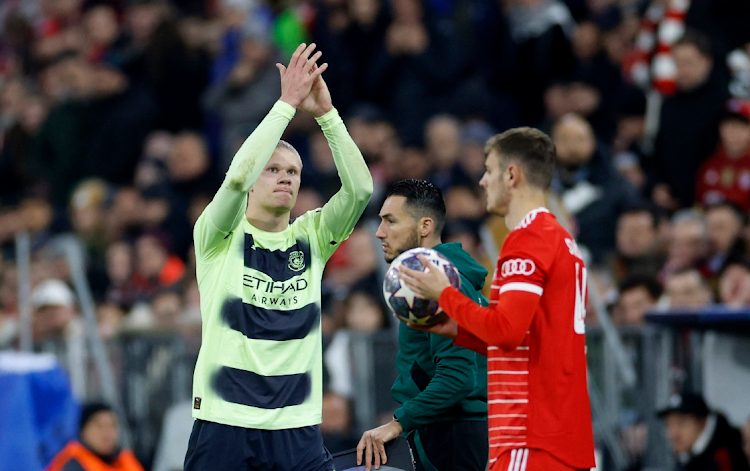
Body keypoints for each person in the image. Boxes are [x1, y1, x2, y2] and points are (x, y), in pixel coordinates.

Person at [184, 43, 374, 471]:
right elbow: (234, 181)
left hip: (296, 425)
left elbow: (361, 190)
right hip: (224, 419)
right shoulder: (219, 235)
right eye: (272, 169)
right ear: (255, 180)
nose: (285, 177)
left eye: (292, 172)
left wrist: (326, 115)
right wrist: (286, 104)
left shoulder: (313, 236)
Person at [399, 127, 596, 470]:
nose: (482, 181)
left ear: (511, 175)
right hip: (561, 435)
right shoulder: (561, 240)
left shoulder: (527, 241)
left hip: (530, 434)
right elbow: (524, 338)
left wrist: (443, 293)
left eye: (489, 171)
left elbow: (506, 331)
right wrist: (452, 329)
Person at [356, 179, 489, 470]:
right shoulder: (440, 281)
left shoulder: (443, 286)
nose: (379, 233)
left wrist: (397, 423)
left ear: (425, 227)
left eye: (390, 221)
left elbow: (458, 377)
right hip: (449, 431)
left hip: (452, 436)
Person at [657, 392, 750, 471]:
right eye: (668, 425)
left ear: (702, 422)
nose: (672, 434)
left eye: (681, 423)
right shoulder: (689, 454)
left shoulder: (724, 457)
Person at [46, 402, 144, 471]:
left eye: (112, 425)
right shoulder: (73, 464)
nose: (107, 432)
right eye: (100, 426)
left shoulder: (125, 459)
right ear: (84, 431)